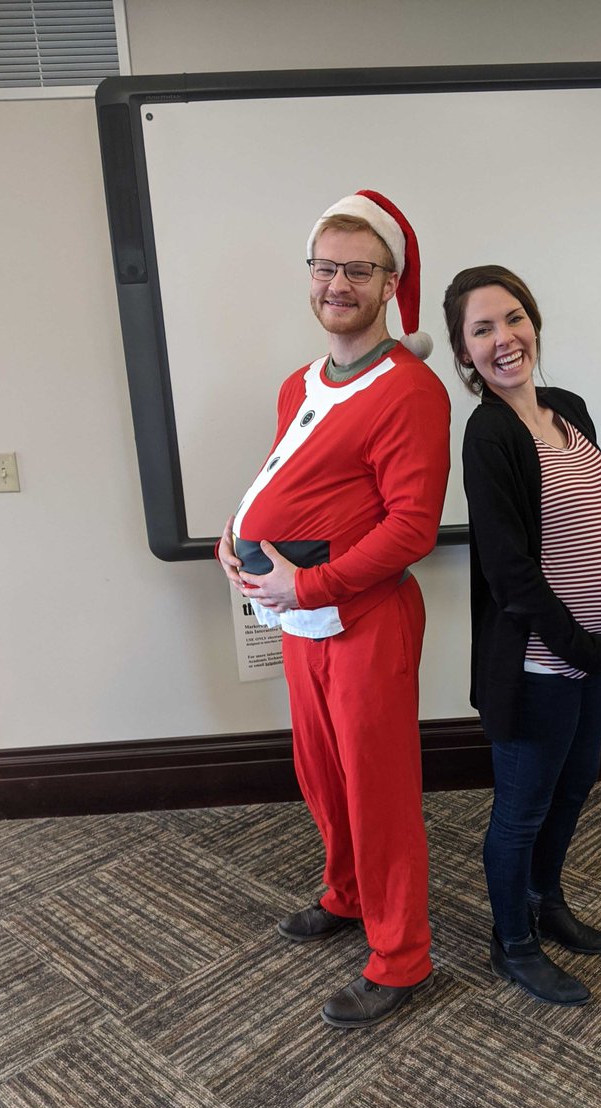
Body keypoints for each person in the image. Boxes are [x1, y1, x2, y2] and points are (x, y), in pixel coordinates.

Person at [218, 191, 450, 1029]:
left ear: (391, 282)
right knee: (322, 775)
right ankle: (347, 895)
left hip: (362, 619)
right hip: (301, 622)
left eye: (359, 269)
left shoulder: (411, 390)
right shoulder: (300, 382)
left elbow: (411, 527)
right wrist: (236, 532)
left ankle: (401, 957)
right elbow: (284, 475)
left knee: (378, 788)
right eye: (325, 267)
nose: (337, 284)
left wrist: (305, 584)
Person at [443, 265, 601, 1006]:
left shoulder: (568, 410)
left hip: (594, 654)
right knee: (522, 808)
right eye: (482, 329)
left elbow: (596, 521)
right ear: (465, 354)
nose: (504, 339)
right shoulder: (488, 435)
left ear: (534, 323)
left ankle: (545, 901)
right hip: (539, 663)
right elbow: (512, 575)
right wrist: (587, 646)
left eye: (513, 318)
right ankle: (511, 943)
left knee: (574, 788)